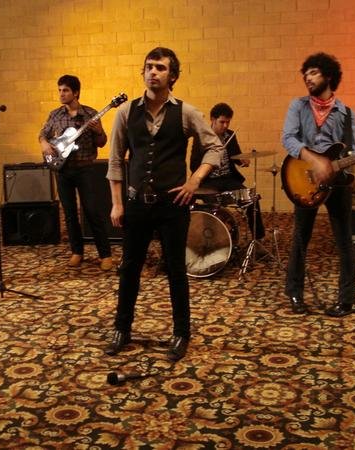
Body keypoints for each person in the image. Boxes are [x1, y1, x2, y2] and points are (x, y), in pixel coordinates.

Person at [106, 47, 223, 361]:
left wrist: (194, 181)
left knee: (175, 269)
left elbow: (215, 148)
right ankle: (121, 328)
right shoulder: (125, 112)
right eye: (149, 67)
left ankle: (181, 332)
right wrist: (117, 204)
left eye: (160, 67)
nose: (153, 72)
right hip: (136, 204)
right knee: (129, 268)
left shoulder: (186, 112)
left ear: (173, 76)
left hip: (172, 205)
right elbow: (115, 161)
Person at [281, 52, 355, 317]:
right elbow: (288, 138)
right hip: (305, 180)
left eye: (313, 72)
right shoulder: (298, 106)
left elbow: (350, 150)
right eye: (305, 73)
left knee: (344, 240)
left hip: (338, 182)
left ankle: (346, 300)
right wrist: (315, 161)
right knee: (301, 237)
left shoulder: (347, 113)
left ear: (329, 76)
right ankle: (295, 293)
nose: (307, 77)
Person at [39, 75, 113, 271]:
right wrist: (45, 144)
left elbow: (102, 142)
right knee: (70, 214)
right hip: (62, 170)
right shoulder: (55, 115)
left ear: (76, 92)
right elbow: (43, 134)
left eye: (65, 90)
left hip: (85, 169)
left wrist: (98, 131)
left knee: (92, 212)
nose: (61, 94)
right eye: (60, 90)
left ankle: (105, 254)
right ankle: (77, 252)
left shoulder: (91, 114)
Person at [190, 102, 265, 239]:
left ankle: (257, 238)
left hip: (228, 179)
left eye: (228, 122)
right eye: (222, 122)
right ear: (213, 119)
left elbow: (236, 156)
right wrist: (209, 161)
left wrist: (242, 161)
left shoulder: (230, 135)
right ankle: (212, 237)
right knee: (212, 206)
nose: (225, 126)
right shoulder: (202, 136)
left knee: (252, 199)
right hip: (208, 181)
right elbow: (193, 165)